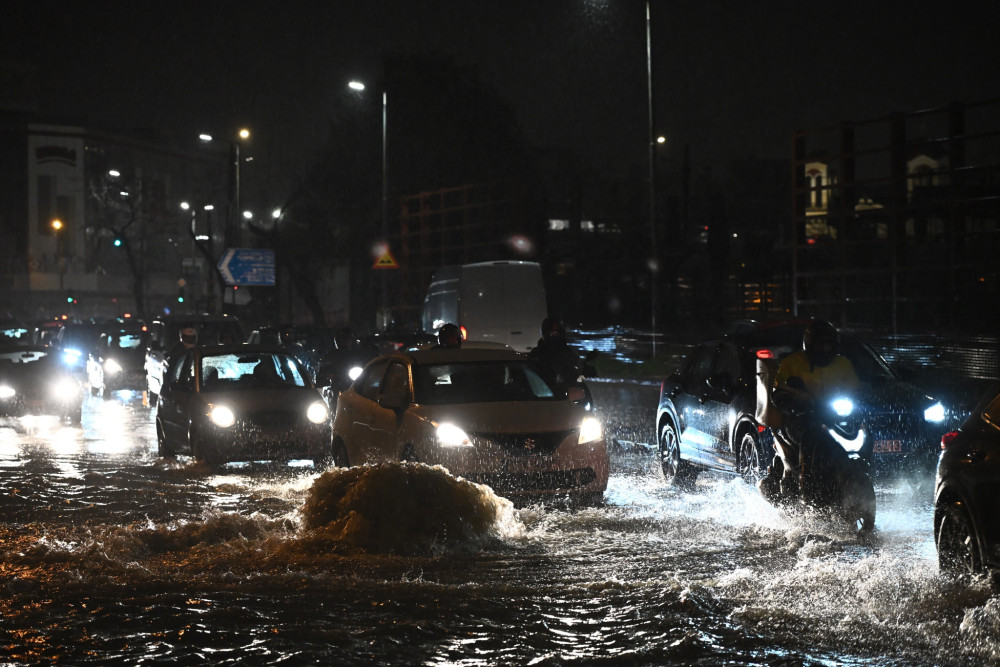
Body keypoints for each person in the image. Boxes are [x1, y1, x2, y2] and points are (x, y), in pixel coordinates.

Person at [766, 318, 860, 496]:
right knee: (812, 434)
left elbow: (855, 391)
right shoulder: (792, 363)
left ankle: (860, 469)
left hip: (833, 417)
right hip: (800, 418)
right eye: (820, 344)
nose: (825, 348)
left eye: (829, 344)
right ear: (809, 344)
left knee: (860, 431)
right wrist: (789, 402)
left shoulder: (843, 364)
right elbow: (779, 391)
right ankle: (807, 484)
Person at [528, 317, 585, 389]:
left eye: (557, 333)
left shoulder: (568, 353)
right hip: (545, 391)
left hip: (567, 390)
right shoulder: (537, 354)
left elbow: (578, 366)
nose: (555, 336)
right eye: (552, 333)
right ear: (545, 333)